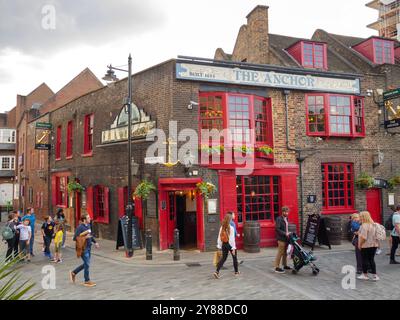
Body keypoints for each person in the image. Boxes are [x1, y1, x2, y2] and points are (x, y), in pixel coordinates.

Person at [70, 214, 99, 287]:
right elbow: (75, 238)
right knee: (87, 264)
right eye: (88, 217)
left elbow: (90, 235)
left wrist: (95, 242)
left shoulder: (88, 225)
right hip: (83, 248)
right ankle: (87, 280)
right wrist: (85, 237)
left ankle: (74, 272)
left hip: (89, 247)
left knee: (86, 264)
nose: (90, 218)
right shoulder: (80, 227)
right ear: (84, 220)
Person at [213, 214, 239, 279]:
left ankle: (216, 272)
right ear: (229, 220)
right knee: (234, 258)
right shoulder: (231, 228)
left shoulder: (222, 227)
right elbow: (232, 239)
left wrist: (219, 246)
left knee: (223, 258)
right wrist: (233, 248)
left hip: (224, 244)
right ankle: (236, 272)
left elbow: (219, 237)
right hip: (230, 244)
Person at [358, 211, 380, 281]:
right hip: (374, 245)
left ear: (363, 217)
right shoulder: (374, 224)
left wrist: (360, 244)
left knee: (364, 260)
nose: (359, 217)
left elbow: (364, 237)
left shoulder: (364, 226)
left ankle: (365, 275)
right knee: (371, 260)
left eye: (360, 216)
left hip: (366, 245)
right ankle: (375, 276)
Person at [274, 206, 292, 274]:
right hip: (281, 238)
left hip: (286, 238)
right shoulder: (279, 219)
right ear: (282, 212)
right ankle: (277, 267)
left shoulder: (286, 218)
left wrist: (288, 233)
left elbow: (286, 227)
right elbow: (277, 229)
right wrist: (285, 233)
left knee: (285, 252)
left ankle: (285, 265)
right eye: (285, 212)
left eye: (287, 212)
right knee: (280, 253)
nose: (287, 213)